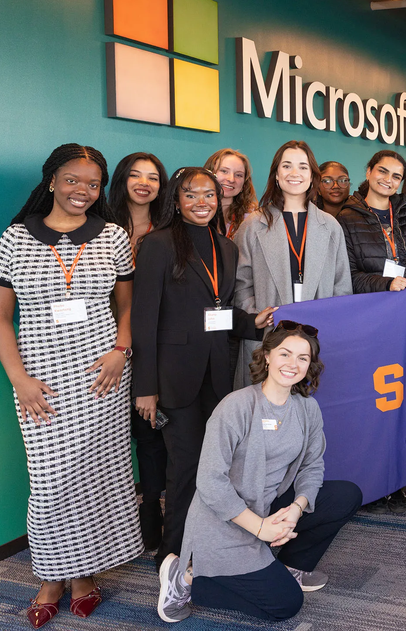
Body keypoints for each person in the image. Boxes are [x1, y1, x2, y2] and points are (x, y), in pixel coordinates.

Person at [0, 144, 142, 628]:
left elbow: (127, 306)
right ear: (52, 180)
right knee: (50, 483)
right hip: (41, 384)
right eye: (73, 179)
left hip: (102, 379)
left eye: (93, 184)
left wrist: (122, 350)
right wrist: (20, 380)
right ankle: (53, 574)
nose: (83, 190)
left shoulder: (113, 235)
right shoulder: (15, 238)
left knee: (97, 474)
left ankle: (84, 575)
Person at [156, 322, 362, 623]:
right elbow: (210, 481)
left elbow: (312, 465)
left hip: (271, 507)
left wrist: (296, 508)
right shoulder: (236, 406)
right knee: (285, 606)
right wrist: (260, 528)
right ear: (267, 356)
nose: (293, 364)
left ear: (310, 365)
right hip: (226, 518)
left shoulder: (307, 409)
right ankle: (186, 578)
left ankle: (290, 566)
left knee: (345, 495)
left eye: (302, 358)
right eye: (285, 354)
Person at [132, 166, 276, 572]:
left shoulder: (226, 247)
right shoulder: (157, 245)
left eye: (209, 195)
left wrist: (253, 323)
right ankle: (173, 552)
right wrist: (145, 388)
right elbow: (143, 318)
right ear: (176, 201)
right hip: (172, 378)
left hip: (217, 374)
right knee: (186, 466)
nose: (201, 202)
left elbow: (220, 311)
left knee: (215, 465)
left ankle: (203, 541)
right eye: (191, 195)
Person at [233, 140, 352, 388]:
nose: (294, 173)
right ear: (276, 174)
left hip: (316, 333)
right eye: (287, 166)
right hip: (269, 333)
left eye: (303, 167)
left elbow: (342, 285)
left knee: (310, 405)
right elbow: (240, 283)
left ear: (312, 177)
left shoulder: (330, 226)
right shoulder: (254, 224)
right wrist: (256, 314)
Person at [107, 151, 170, 551]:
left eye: (153, 177)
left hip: (151, 342)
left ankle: (151, 519)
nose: (144, 183)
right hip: (103, 345)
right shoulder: (98, 226)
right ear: (122, 180)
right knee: (110, 437)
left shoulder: (167, 229)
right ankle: (111, 525)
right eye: (135, 175)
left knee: (150, 434)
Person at [338, 150, 406, 295]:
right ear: (368, 172)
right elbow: (347, 276)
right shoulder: (346, 219)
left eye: (396, 176)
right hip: (374, 309)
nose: (388, 179)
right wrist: (387, 284)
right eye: (383, 171)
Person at [204, 148, 256, 240]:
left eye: (239, 175)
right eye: (224, 171)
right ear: (208, 174)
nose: (231, 179)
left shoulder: (252, 218)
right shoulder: (193, 212)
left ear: (244, 184)